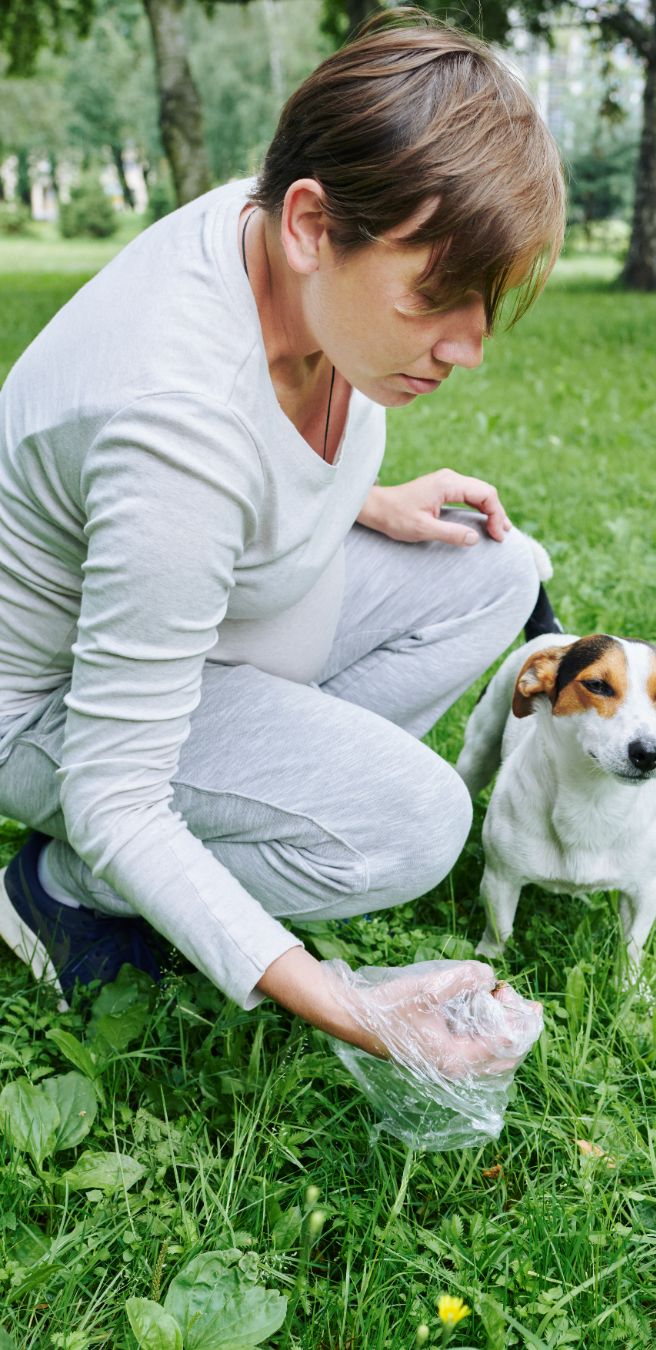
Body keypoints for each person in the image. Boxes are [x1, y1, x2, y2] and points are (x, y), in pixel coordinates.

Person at [0, 10, 565, 1074]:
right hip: (58, 714)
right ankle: (59, 891)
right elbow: (115, 791)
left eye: (484, 302)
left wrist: (364, 495)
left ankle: (262, 801)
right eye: (439, 295)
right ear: (314, 224)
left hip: (210, 619)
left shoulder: (281, 237)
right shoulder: (172, 421)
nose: (467, 348)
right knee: (411, 826)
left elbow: (235, 462)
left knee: (499, 569)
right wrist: (364, 1012)